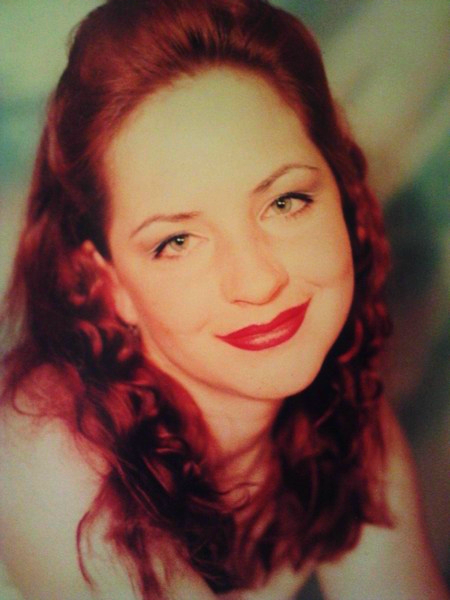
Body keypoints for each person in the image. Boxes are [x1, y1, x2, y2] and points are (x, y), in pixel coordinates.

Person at [0, 1, 447, 599]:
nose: (258, 283)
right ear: (108, 284)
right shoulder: (47, 451)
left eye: (285, 202)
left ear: (341, 192)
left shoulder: (340, 413)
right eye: (178, 241)